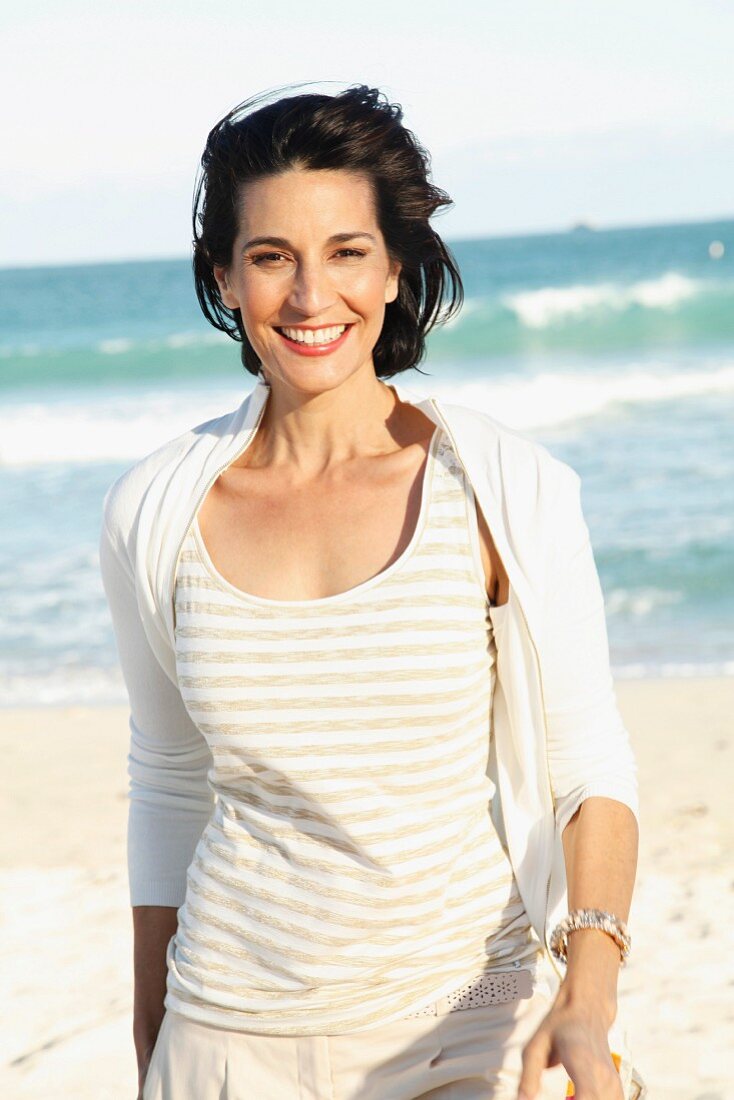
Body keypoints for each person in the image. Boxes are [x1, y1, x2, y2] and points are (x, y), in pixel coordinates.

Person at [99, 83, 645, 1100]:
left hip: (467, 1029)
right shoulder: (154, 510)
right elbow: (169, 785)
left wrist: (588, 995)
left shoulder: (500, 488)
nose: (311, 297)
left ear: (395, 267)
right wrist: (152, 1045)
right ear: (222, 278)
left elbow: (588, 769)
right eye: (270, 258)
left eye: (346, 251)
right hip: (224, 1038)